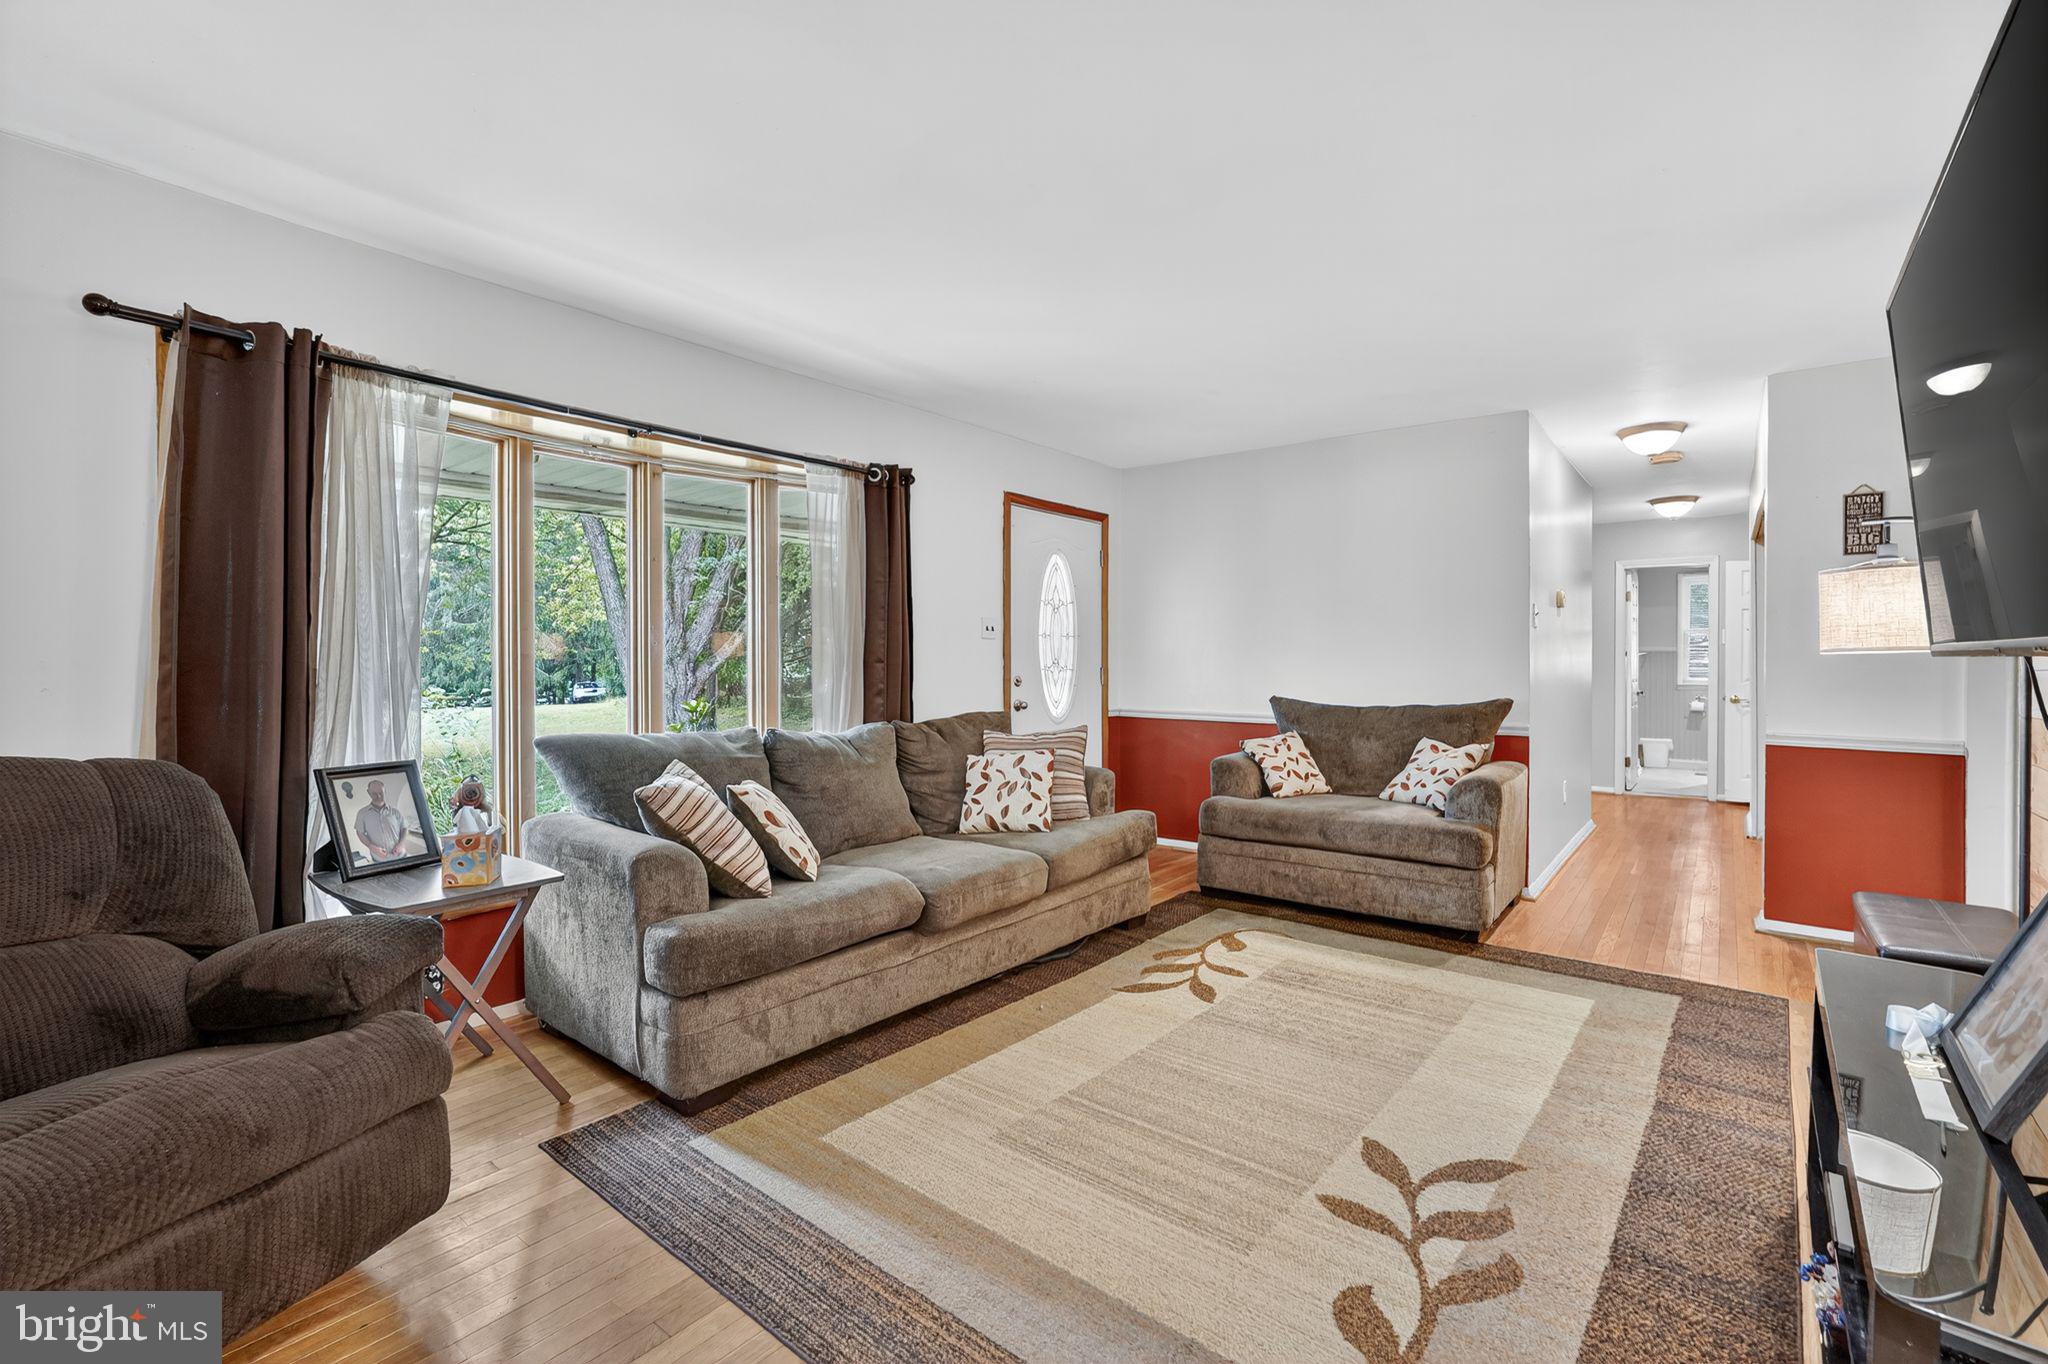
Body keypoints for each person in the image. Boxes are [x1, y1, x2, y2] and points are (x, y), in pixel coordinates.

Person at [353, 779, 412, 861]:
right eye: (374, 793)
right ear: (368, 792)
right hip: (379, 860)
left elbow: (405, 828)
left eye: (381, 793)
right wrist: (371, 846)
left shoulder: (396, 811)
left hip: (401, 857)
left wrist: (401, 844)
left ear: (385, 791)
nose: (379, 796)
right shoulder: (362, 813)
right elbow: (359, 832)